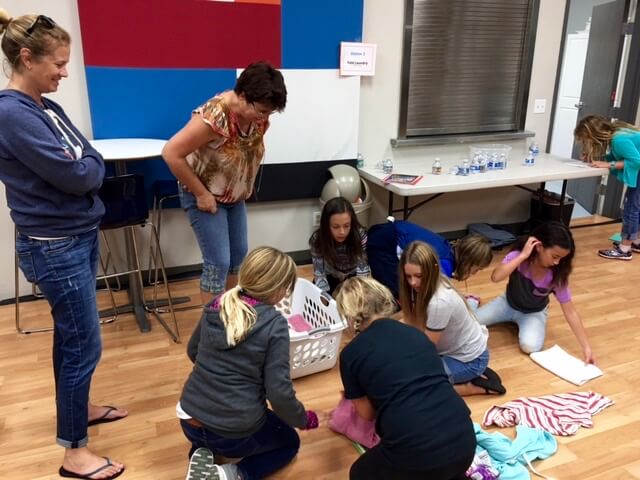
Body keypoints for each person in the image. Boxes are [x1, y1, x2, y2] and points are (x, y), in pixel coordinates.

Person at [0, 10, 126, 480]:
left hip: (76, 236)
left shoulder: (45, 107)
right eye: (58, 63)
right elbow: (79, 174)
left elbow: (88, 156)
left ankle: (80, 408)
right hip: (56, 247)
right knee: (82, 346)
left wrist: (87, 165)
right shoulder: (12, 113)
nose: (64, 73)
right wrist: (87, 167)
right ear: (27, 58)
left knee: (72, 339)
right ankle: (74, 454)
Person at [178, 246, 319, 480]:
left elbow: (193, 350)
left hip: (188, 419)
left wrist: (217, 374)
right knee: (289, 443)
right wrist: (304, 419)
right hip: (233, 432)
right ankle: (230, 473)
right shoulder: (274, 324)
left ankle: (200, 451)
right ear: (279, 289)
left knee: (212, 432)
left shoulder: (218, 303)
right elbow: (279, 393)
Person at [162, 62, 287, 304]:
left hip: (233, 197)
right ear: (243, 96)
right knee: (218, 261)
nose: (264, 118)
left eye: (269, 113)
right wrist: (201, 194)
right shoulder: (214, 117)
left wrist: (243, 181)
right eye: (262, 111)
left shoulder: (258, 117)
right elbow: (171, 153)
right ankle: (213, 321)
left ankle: (230, 311)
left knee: (238, 256)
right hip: (205, 195)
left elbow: (245, 149)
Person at [335, 277, 476, 480]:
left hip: (417, 452)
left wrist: (357, 397)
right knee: (441, 468)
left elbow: (367, 414)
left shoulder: (350, 354)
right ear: (384, 301)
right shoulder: (416, 334)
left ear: (349, 316)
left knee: (359, 473)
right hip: (465, 443)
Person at [475, 221, 596, 364]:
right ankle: (472, 301)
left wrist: (586, 347)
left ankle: (525, 321)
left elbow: (570, 311)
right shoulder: (518, 256)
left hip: (533, 313)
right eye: (555, 256)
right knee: (471, 322)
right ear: (539, 247)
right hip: (507, 303)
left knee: (530, 346)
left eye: (561, 258)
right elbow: (496, 277)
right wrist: (522, 256)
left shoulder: (557, 275)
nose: (557, 262)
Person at [398, 241, 505, 396]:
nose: (412, 282)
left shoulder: (439, 302)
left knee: (411, 384)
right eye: (408, 276)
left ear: (431, 270)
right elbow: (411, 319)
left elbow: (426, 347)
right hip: (455, 350)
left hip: (470, 361)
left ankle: (470, 388)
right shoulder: (427, 284)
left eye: (418, 276)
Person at [367, 218, 493, 298]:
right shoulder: (443, 264)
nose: (475, 273)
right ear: (468, 261)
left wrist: (458, 296)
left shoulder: (448, 248)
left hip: (390, 230)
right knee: (399, 295)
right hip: (383, 244)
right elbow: (434, 295)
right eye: (477, 269)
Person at [574, 114, 640, 260]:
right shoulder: (616, 134)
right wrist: (598, 160)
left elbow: (636, 161)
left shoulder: (618, 139)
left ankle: (624, 249)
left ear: (593, 134)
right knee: (636, 207)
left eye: (586, 139)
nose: (587, 143)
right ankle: (636, 241)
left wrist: (609, 164)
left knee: (631, 209)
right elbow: (620, 156)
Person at [309, 196, 370, 294]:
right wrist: (323, 296)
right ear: (326, 225)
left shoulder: (360, 235)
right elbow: (319, 274)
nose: (342, 232)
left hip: (353, 275)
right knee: (317, 294)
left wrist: (360, 292)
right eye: (335, 227)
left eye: (346, 226)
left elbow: (362, 269)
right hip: (330, 275)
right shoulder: (317, 240)